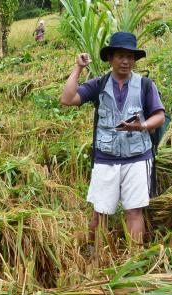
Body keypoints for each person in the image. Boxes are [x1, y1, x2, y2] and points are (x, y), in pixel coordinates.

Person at [61, 32, 165, 244]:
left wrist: (142, 126)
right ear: (110, 58)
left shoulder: (145, 85)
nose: (125, 61)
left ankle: (133, 262)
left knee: (134, 212)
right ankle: (95, 258)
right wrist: (78, 68)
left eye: (130, 56)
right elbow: (67, 98)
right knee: (100, 212)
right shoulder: (98, 85)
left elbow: (160, 116)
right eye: (120, 56)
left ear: (135, 60)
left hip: (137, 157)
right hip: (105, 159)